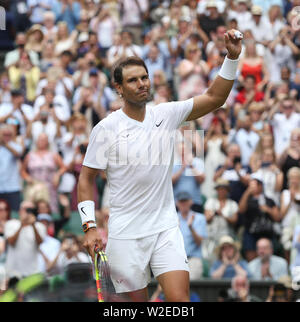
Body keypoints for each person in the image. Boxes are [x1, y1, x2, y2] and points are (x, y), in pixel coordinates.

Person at [77, 29, 242, 302]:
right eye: (132, 80)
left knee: (180, 302)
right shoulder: (105, 129)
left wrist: (232, 58)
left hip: (165, 228)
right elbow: (86, 179)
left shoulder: (166, 114)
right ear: (118, 88)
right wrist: (89, 226)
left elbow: (215, 98)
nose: (142, 84)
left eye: (144, 77)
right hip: (125, 234)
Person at [239, 175, 281, 262]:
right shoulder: (247, 200)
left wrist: (268, 210)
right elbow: (241, 209)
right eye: (249, 185)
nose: (251, 188)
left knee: (269, 255)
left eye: (253, 185)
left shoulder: (269, 200)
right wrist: (247, 192)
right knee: (250, 254)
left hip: (267, 233)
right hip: (251, 232)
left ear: (260, 186)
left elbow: (277, 218)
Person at [4, 200, 46, 279]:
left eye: (30, 209)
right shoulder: (11, 224)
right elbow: (11, 242)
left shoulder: (39, 226)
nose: (28, 212)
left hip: (32, 272)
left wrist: (33, 225)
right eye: (26, 209)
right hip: (13, 272)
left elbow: (40, 242)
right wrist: (22, 224)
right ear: (20, 211)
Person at [203, 179, 239, 262]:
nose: (221, 191)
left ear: (227, 190)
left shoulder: (232, 204)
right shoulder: (210, 202)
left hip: (227, 236)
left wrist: (223, 215)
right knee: (210, 258)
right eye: (220, 189)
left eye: (223, 189)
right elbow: (206, 219)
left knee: (226, 257)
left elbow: (234, 221)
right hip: (211, 236)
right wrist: (214, 213)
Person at [176, 192, 207, 280]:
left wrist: (190, 227)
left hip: (193, 259)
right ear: (177, 203)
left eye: (185, 201)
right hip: (176, 259)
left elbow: (199, 242)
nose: (183, 203)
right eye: (181, 201)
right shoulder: (173, 219)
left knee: (191, 285)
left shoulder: (199, 218)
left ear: (191, 202)